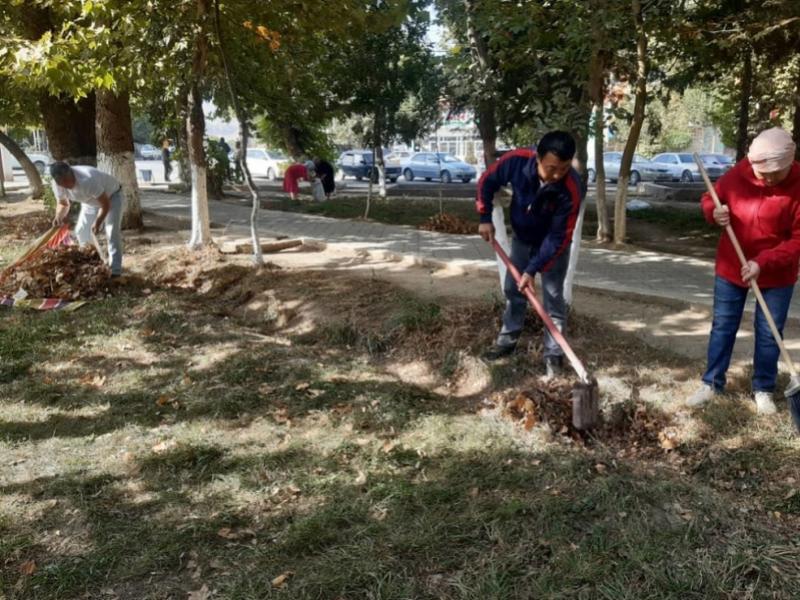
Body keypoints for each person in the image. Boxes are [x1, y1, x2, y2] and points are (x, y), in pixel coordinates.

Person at [687, 127, 800, 414]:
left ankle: (763, 388)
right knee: (723, 325)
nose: (768, 178)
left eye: (776, 172)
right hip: (732, 265)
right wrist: (713, 211)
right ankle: (711, 383)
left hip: (776, 274)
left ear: (789, 163)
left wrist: (763, 262)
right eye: (763, 172)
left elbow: (798, 240)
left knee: (769, 332)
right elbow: (710, 197)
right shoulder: (741, 173)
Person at [476, 130, 585, 378]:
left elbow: (559, 237)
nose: (557, 175)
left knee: (553, 298)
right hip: (523, 240)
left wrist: (532, 270)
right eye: (552, 168)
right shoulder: (516, 162)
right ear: (537, 158)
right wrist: (485, 218)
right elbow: (487, 181)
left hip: (553, 247)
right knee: (513, 291)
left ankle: (553, 356)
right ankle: (507, 342)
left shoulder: (571, 188)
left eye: (564, 168)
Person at [49, 162, 125, 277]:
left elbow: (105, 204)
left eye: (67, 180)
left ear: (71, 172)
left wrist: (98, 222)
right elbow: (63, 204)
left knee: (111, 232)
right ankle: (93, 262)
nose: (66, 185)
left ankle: (115, 271)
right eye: (62, 183)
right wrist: (58, 216)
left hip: (111, 197)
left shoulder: (87, 180)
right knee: (81, 230)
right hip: (89, 201)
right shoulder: (57, 185)